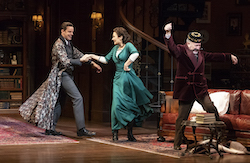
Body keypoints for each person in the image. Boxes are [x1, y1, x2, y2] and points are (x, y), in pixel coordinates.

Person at [163, 23, 238, 150]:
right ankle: (177, 143)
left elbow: (214, 56)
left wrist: (229, 56)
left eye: (199, 45)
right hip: (186, 90)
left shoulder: (201, 53)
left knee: (211, 109)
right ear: (189, 43)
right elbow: (172, 48)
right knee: (182, 117)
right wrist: (168, 34)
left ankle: (220, 136)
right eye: (196, 45)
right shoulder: (181, 50)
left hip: (200, 89)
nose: (199, 47)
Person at [19, 22, 102, 137]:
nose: (71, 34)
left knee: (59, 102)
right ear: (62, 31)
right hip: (61, 75)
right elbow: (65, 62)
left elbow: (79, 54)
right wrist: (81, 61)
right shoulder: (58, 44)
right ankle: (81, 129)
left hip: (66, 75)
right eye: (69, 32)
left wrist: (92, 63)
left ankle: (50, 128)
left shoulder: (68, 44)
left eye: (72, 32)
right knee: (77, 98)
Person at [88, 27, 153, 141]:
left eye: (114, 36)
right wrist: (92, 56)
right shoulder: (115, 49)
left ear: (120, 37)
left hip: (127, 78)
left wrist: (127, 64)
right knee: (116, 106)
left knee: (128, 105)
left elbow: (135, 54)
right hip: (118, 79)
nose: (112, 38)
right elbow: (105, 59)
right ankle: (115, 132)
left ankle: (130, 132)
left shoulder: (128, 45)